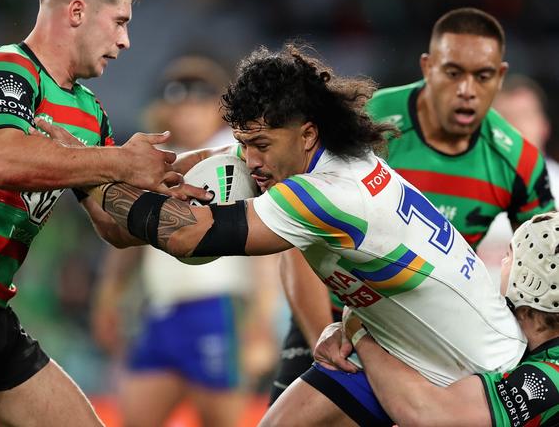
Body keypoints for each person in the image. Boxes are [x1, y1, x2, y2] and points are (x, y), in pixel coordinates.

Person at [58, 43, 531, 426]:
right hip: (396, 347)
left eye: (260, 145)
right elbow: (152, 208)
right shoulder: (320, 160)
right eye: (243, 144)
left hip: (476, 379)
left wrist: (89, 168)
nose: (251, 162)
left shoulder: (326, 194)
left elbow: (186, 237)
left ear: (306, 134)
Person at [0, 0, 208, 426]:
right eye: (120, 20)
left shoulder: (91, 114)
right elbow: (1, 161)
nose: (126, 40)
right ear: (76, 11)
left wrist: (169, 201)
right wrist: (121, 162)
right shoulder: (6, 68)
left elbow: (110, 225)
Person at [268, 7, 556, 405]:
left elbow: (545, 269)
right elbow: (297, 234)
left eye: (483, 76)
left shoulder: (519, 162)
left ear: (500, 77)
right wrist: (326, 334)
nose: (467, 89)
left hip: (432, 336)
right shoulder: (364, 124)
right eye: (453, 73)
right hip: (332, 317)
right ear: (427, 67)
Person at [91, 55, 278, 427]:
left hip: (218, 309)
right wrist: (109, 295)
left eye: (198, 105)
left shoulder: (238, 157)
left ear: (217, 110)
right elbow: (130, 233)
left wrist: (263, 318)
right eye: (181, 105)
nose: (188, 115)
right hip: (162, 310)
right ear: (166, 110)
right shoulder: (152, 161)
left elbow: (265, 239)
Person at [317, 210, 559, 426]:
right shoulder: (514, 335)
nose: (502, 264)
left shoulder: (551, 376)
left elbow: (427, 415)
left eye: (509, 256)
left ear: (528, 283)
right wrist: (341, 330)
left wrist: (358, 331)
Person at [479, 75, 559, 271]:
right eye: (505, 118)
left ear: (544, 126)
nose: (516, 127)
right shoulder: (460, 184)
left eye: (524, 115)